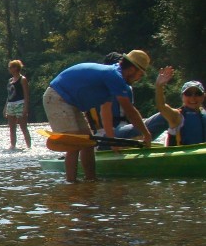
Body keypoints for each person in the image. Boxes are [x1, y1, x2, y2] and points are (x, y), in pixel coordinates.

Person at [42, 49, 153, 183]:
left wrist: (112, 140)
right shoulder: (115, 76)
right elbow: (130, 110)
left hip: (70, 102)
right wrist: (146, 134)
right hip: (57, 97)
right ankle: (71, 185)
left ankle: (91, 181)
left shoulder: (113, 78)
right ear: (131, 70)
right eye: (139, 75)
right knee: (74, 144)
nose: (138, 79)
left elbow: (106, 112)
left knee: (88, 143)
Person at [153, 68, 205, 146]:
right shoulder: (176, 116)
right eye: (188, 94)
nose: (193, 98)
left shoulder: (204, 114)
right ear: (182, 97)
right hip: (182, 157)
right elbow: (161, 106)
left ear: (203, 96)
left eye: (197, 94)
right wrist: (159, 87)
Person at [4, 60, 31, 150]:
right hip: (11, 105)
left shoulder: (22, 79)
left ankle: (29, 146)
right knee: (12, 128)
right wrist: (5, 108)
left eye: (10, 67)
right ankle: (13, 145)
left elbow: (26, 95)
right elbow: (9, 95)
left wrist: (25, 108)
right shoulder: (10, 80)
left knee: (23, 127)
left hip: (20, 104)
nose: (9, 69)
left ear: (16, 68)